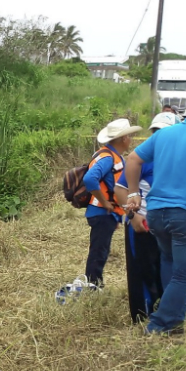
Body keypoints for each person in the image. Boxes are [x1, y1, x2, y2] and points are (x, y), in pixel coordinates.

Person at [125, 94, 186, 335]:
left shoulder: (166, 133)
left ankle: (174, 318)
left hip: (156, 213)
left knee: (170, 262)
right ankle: (160, 325)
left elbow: (133, 159)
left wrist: (133, 193)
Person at [114, 112, 177, 322]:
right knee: (142, 269)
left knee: (165, 267)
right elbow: (120, 188)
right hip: (141, 222)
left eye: (164, 131)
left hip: (168, 224)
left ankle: (165, 311)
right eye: (156, 131)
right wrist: (133, 217)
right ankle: (143, 316)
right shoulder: (143, 157)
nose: (160, 135)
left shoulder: (178, 156)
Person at [83, 119, 142, 287]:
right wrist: (106, 203)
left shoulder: (109, 155)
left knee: (101, 250)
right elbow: (90, 179)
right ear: (123, 139)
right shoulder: (109, 158)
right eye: (129, 136)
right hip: (102, 212)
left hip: (104, 214)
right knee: (99, 251)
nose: (131, 139)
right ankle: (93, 285)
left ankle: (94, 283)